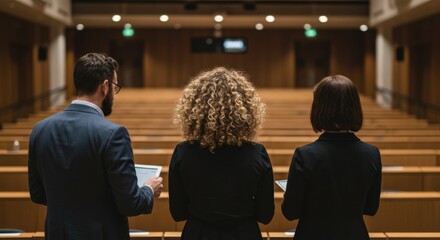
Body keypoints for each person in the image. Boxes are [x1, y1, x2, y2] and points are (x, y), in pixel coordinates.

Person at [28, 53, 163, 240]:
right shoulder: (113, 134)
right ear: (105, 87)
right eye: (115, 87)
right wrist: (148, 189)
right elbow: (130, 204)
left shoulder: (40, 129)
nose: (114, 95)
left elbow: (37, 194)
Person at [169, 67, 274, 239]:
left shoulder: (183, 152)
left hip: (198, 234)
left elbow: (178, 213)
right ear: (246, 111)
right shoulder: (257, 154)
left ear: (194, 110)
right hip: (244, 234)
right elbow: (265, 215)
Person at [281, 75, 382, 239]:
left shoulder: (305, 155)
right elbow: (371, 208)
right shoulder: (372, 154)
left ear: (319, 108)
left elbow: (290, 212)